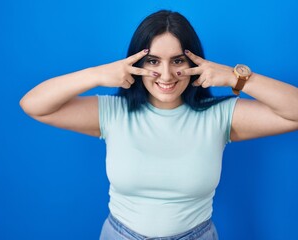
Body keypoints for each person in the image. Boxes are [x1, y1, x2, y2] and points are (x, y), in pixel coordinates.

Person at [20, 10, 298, 240]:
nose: (166, 74)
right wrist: (96, 75)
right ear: (135, 63)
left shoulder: (219, 116)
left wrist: (235, 78)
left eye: (178, 61)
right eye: (153, 61)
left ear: (195, 63)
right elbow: (34, 104)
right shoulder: (112, 112)